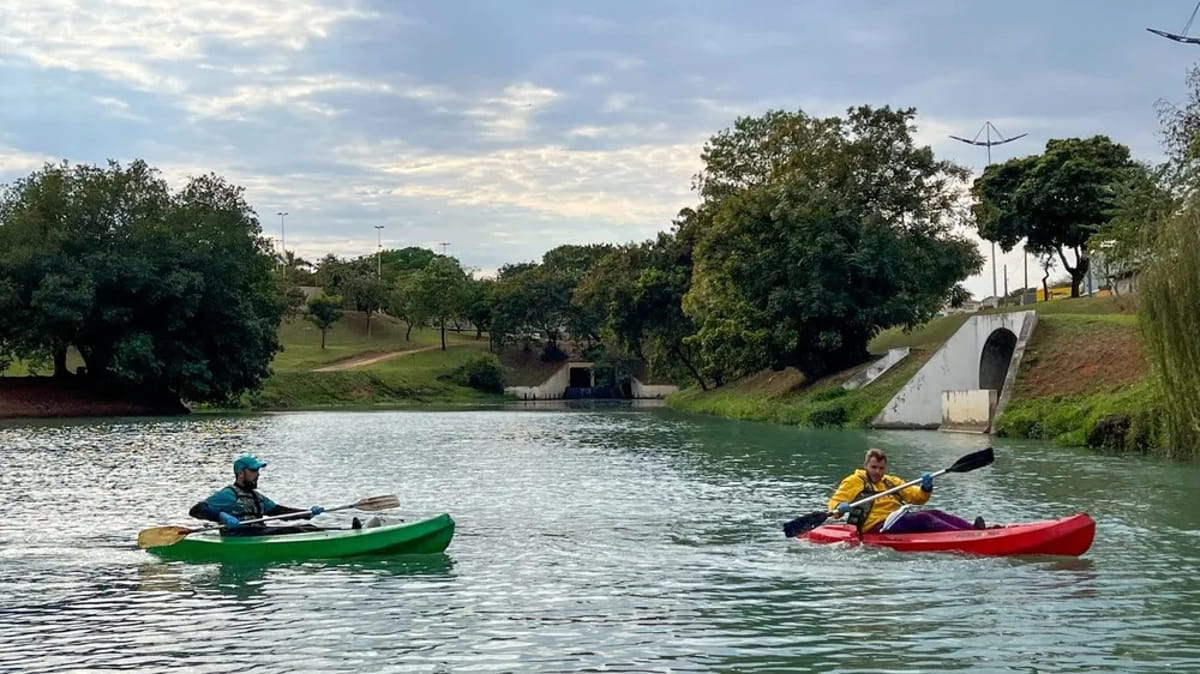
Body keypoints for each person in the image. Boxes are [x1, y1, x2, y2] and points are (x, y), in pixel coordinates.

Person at [828, 447, 984, 534]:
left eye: (881, 468)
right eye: (873, 467)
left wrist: (926, 487)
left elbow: (917, 498)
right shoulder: (854, 481)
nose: (877, 472)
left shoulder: (891, 481)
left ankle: (973, 530)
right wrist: (839, 507)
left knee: (936, 514)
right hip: (874, 526)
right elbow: (834, 502)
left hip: (896, 519)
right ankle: (965, 536)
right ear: (865, 465)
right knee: (924, 518)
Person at [188, 455, 325, 536]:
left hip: (259, 533)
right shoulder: (228, 494)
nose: (258, 474)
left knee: (310, 528)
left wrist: (308, 513)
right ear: (241, 473)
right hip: (239, 537)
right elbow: (196, 510)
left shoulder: (257, 497)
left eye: (258, 470)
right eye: (253, 470)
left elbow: (280, 512)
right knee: (299, 530)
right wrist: (220, 516)